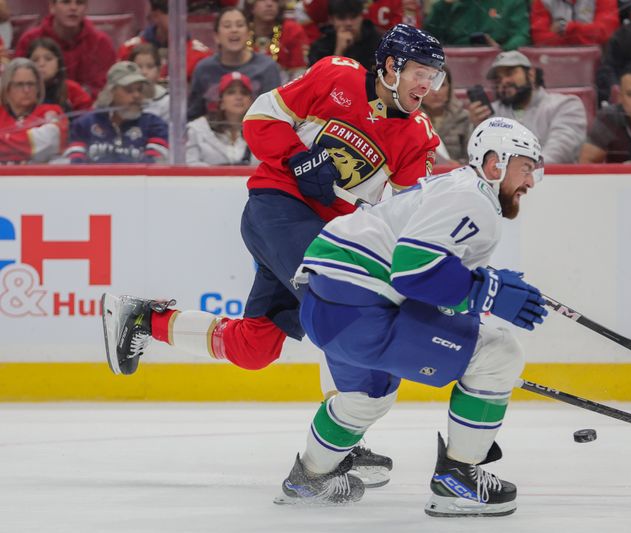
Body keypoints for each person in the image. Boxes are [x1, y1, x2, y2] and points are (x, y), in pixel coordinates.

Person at [100, 24, 446, 488]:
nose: (427, 86)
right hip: (277, 207)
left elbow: (403, 214)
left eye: (434, 76)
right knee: (336, 298)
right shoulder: (335, 77)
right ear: (389, 67)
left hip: (329, 234)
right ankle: (340, 445)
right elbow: (261, 119)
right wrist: (297, 158)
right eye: (420, 73)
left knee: (255, 348)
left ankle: (143, 320)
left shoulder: (418, 136)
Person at [272, 117, 547, 515]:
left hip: (327, 306)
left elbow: (424, 285)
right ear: (495, 164)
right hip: (361, 307)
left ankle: (309, 479)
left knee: (367, 398)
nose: (531, 181)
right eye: (526, 168)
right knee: (498, 355)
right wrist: (485, 291)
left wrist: (482, 290)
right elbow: (414, 269)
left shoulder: (453, 188)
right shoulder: (474, 200)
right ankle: (457, 482)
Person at [468, 50, 586, 164]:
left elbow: (559, 153)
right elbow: (477, 159)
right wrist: (477, 129)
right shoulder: (490, 114)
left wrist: (522, 173)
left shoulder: (565, 105)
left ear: (531, 74)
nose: (504, 81)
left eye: (510, 73)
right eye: (499, 79)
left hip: (555, 180)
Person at [187, 7, 282, 121]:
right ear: (216, 36)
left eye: (240, 25)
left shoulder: (267, 67)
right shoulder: (203, 69)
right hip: (213, 135)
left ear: (248, 33)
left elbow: (275, 116)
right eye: (227, 26)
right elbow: (194, 115)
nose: (234, 30)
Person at [64, 61, 169, 164]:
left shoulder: (155, 126)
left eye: (140, 89)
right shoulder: (84, 125)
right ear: (111, 91)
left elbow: (154, 166)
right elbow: (75, 166)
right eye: (129, 90)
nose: (137, 95)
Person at [14, 0, 117, 99]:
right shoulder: (29, 40)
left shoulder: (101, 43)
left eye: (80, 2)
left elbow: (106, 89)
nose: (73, 8)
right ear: (52, 6)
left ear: (86, 8)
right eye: (66, 2)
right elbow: (17, 86)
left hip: (87, 109)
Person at [118, 0, 213, 81]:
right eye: (173, 13)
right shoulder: (129, 50)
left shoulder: (201, 55)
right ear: (155, 16)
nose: (180, 19)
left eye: (183, 12)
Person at [0, 58, 68, 164]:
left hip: (39, 178)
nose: (26, 90)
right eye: (19, 84)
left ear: (38, 87)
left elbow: (50, 142)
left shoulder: (51, 111)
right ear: (7, 88)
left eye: (31, 84)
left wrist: (5, 140)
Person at [186, 72, 257, 166]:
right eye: (231, 92)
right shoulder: (197, 129)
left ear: (251, 102)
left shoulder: (262, 132)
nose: (238, 97)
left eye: (244, 93)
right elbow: (189, 164)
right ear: (221, 101)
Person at [424, 0, 531, 51]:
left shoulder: (512, 2)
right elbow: (430, 39)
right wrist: (445, 6)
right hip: (456, 63)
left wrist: (502, 50)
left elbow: (522, 35)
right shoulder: (448, 5)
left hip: (500, 64)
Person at [27, 37, 92, 117]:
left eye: (48, 59)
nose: (41, 64)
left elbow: (87, 121)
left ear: (59, 63)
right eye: (35, 60)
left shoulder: (72, 89)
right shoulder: (22, 91)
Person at [307, 0, 383, 68]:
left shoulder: (378, 42)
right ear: (331, 20)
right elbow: (317, 80)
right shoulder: (320, 47)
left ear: (361, 16)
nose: (348, 23)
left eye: (353, 17)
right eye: (341, 18)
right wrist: (338, 52)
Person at [245, 0, 309, 81]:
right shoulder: (241, 31)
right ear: (251, 7)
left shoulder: (291, 30)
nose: (269, 4)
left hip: (283, 89)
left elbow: (299, 73)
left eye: (274, 0)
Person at [420, 65, 472, 164]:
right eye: (430, 85)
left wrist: (459, 165)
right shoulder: (410, 120)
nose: (436, 92)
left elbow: (473, 159)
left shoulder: (464, 118)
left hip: (457, 176)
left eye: (442, 85)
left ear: (450, 88)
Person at [530, 0, 619, 46]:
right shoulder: (542, 1)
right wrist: (586, 32)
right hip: (554, 62)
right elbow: (539, 40)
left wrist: (565, 28)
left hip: (595, 64)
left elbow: (605, 34)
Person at [128, 43, 170, 122]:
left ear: (159, 70)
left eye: (150, 66)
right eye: (139, 67)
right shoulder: (123, 98)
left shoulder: (166, 101)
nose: (144, 72)